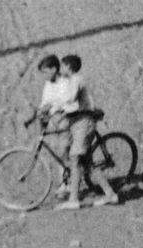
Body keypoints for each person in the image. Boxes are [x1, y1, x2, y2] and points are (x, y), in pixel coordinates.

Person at [31, 53, 100, 209]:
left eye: (46, 71)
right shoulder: (48, 84)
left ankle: (70, 186)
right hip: (58, 120)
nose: (44, 75)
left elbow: (67, 100)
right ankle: (67, 183)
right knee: (62, 152)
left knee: (69, 152)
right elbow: (46, 101)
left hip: (71, 119)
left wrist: (53, 109)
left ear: (54, 69)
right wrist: (42, 111)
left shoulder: (66, 81)